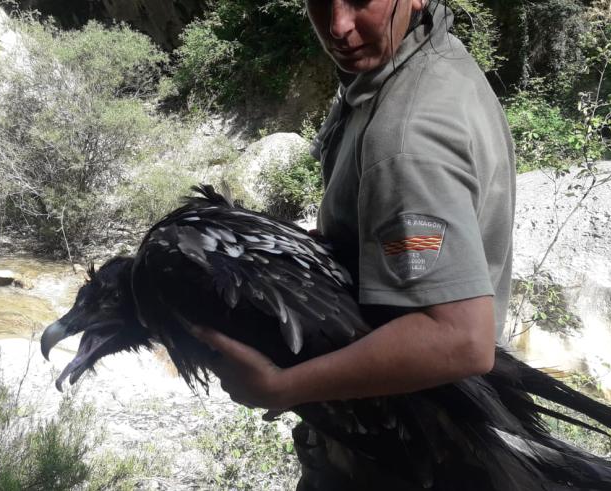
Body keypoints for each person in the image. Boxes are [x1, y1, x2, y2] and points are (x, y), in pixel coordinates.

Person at [190, 0, 516, 488]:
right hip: (427, 426)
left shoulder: (405, 137)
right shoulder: (415, 60)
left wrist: (280, 387)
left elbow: (460, 340)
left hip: (408, 453)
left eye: (362, 0)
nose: (339, 26)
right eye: (321, 2)